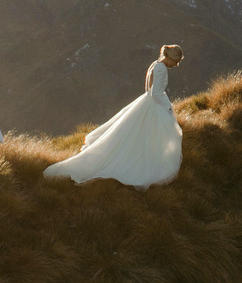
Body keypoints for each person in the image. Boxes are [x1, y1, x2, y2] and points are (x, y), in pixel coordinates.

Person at [43, 44, 184, 189]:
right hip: (154, 105)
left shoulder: (155, 64)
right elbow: (155, 94)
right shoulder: (161, 68)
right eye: (176, 61)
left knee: (137, 136)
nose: (177, 64)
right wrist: (168, 106)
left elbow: (149, 90)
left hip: (147, 103)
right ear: (171, 57)